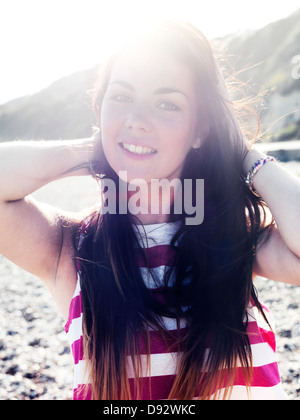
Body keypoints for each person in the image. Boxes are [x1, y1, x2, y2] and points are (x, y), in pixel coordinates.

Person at [0, 20, 299, 401]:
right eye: (121, 98)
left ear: (200, 130)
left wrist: (241, 153)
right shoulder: (73, 248)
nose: (137, 120)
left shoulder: (234, 240)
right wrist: (98, 149)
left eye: (166, 104)